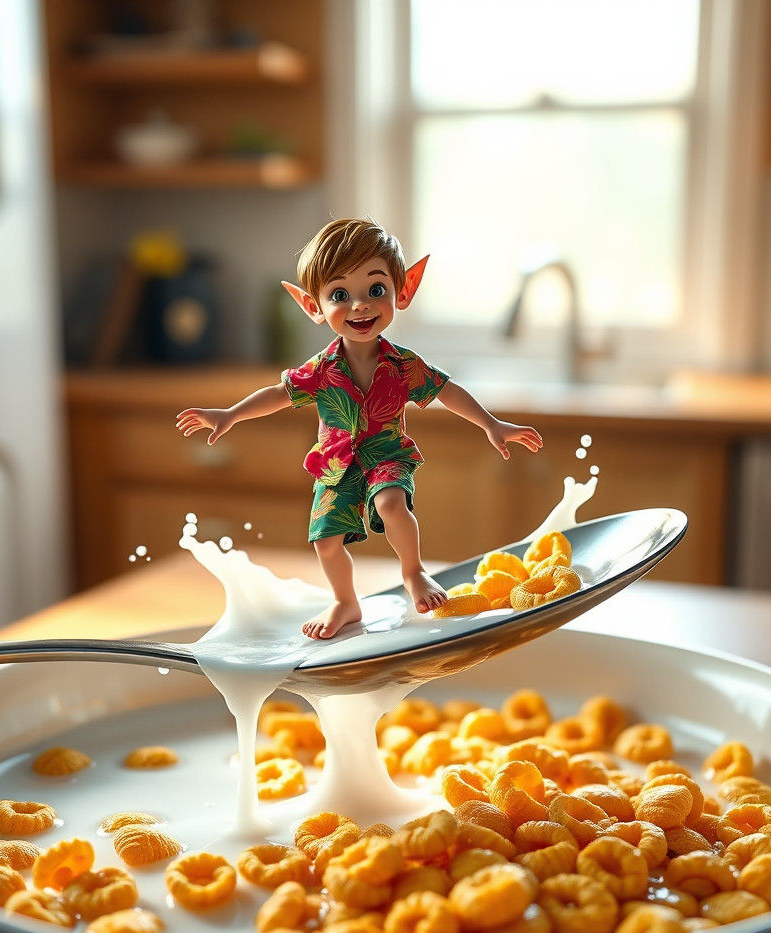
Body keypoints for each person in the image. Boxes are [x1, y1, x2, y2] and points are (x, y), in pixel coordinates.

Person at [176, 217, 542, 640]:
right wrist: (230, 414)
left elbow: (447, 390)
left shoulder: (404, 364)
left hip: (387, 453)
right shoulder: (321, 369)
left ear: (402, 292)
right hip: (335, 465)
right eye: (339, 295)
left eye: (376, 290)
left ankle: (414, 572)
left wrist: (490, 424)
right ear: (313, 306)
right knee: (325, 542)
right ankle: (346, 601)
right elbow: (278, 394)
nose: (360, 306)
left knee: (390, 504)